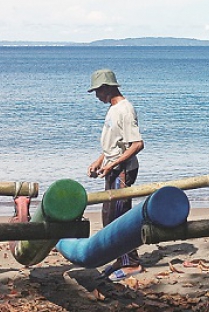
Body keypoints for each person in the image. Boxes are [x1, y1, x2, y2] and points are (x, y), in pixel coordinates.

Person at [87, 68, 145, 281]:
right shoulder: (112, 109)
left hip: (123, 171)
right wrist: (100, 161)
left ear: (107, 88)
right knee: (109, 217)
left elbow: (137, 144)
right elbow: (113, 144)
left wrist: (114, 166)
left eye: (98, 91)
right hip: (113, 168)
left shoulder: (125, 109)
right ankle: (121, 258)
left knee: (119, 217)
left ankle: (132, 263)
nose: (96, 96)